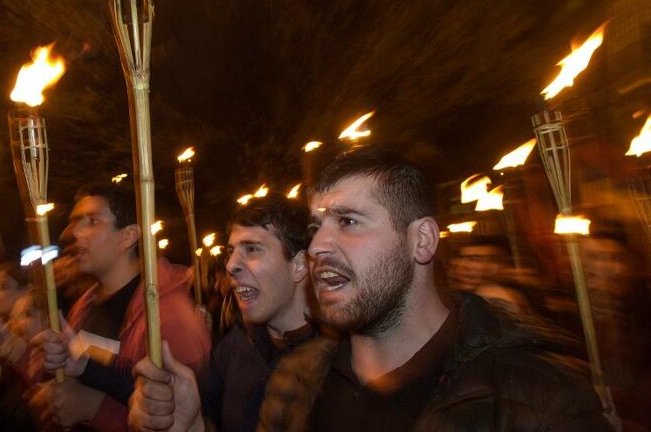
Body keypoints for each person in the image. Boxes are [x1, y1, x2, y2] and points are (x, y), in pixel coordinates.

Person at [257, 146, 611, 431]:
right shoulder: (294, 381)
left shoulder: (540, 399)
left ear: (422, 240)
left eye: (348, 221)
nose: (317, 246)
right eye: (315, 227)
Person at [128, 192, 315, 432]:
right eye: (231, 251)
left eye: (252, 249)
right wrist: (191, 424)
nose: (230, 265)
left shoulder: (345, 365)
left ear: (298, 265)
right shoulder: (234, 347)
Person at [31, 183, 211, 431]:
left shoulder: (170, 315)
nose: (74, 232)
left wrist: (93, 408)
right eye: (75, 221)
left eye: (92, 221)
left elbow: (177, 419)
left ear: (128, 236)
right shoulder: (85, 304)